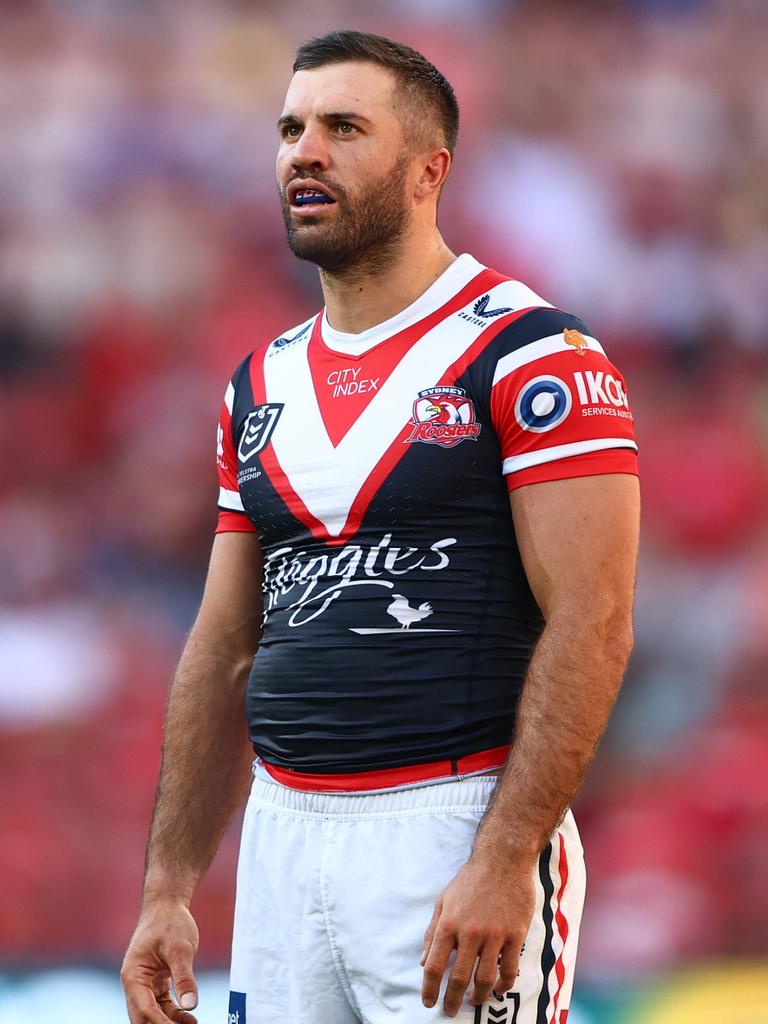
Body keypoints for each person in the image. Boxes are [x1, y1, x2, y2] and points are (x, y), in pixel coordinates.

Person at [121, 29, 640, 1024]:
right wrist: (169, 888)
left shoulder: (533, 353)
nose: (302, 151)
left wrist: (502, 860)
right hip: (282, 838)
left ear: (426, 171)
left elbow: (596, 621)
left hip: (448, 831)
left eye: (343, 127)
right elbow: (224, 648)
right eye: (289, 127)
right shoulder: (257, 381)